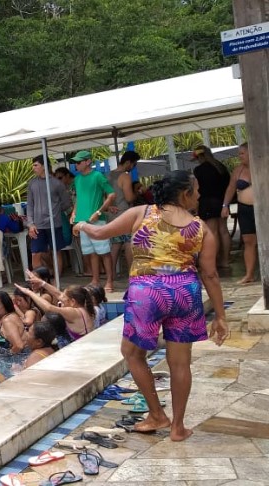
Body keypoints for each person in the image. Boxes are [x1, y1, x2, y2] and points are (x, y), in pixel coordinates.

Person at [76, 169, 228, 440]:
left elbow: (99, 233)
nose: (200, 194)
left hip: (147, 293)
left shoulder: (142, 213)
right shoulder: (201, 228)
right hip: (185, 293)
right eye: (197, 190)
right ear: (185, 194)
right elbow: (210, 274)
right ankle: (178, 427)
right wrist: (220, 316)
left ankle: (157, 414)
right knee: (180, 363)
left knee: (133, 353)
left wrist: (82, 225)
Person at [70, 150, 116, 292]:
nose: (76, 165)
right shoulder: (77, 179)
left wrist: (99, 212)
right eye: (75, 163)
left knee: (104, 252)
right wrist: (74, 213)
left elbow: (112, 194)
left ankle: (109, 281)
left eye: (78, 162)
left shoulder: (98, 176)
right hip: (82, 221)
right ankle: (95, 280)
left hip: (97, 221)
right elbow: (78, 198)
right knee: (91, 253)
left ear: (88, 161)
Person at [26, 155, 72, 275]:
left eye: (36, 165)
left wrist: (55, 210)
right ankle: (38, 280)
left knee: (56, 251)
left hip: (54, 224)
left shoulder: (57, 183)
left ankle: (57, 280)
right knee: (35, 253)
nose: (33, 168)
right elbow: (29, 205)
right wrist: (30, 224)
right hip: (37, 226)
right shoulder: (32, 184)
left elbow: (66, 202)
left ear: (44, 166)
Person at [222, 142, 258, 284]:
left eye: (242, 153)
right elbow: (231, 188)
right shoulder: (238, 170)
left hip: (262, 209)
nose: (240, 156)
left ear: (251, 152)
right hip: (244, 209)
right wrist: (225, 205)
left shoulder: (263, 164)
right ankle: (249, 274)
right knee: (248, 241)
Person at [192, 145, 231, 271]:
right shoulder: (220, 167)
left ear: (200, 157)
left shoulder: (199, 170)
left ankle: (214, 261)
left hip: (208, 202)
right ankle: (225, 260)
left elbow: (198, 189)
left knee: (212, 232)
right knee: (223, 230)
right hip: (222, 201)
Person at [16, 280, 95, 341]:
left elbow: (49, 308)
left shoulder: (73, 312)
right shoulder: (85, 307)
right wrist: (42, 283)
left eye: (64, 297)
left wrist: (29, 293)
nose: (60, 298)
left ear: (73, 301)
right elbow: (58, 294)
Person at [107, 151, 139, 278]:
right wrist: (137, 193)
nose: (133, 167)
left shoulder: (107, 175)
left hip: (111, 215)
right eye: (134, 164)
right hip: (124, 214)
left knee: (115, 245)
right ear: (128, 162)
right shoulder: (125, 177)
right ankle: (132, 273)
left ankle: (112, 274)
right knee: (128, 243)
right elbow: (129, 198)